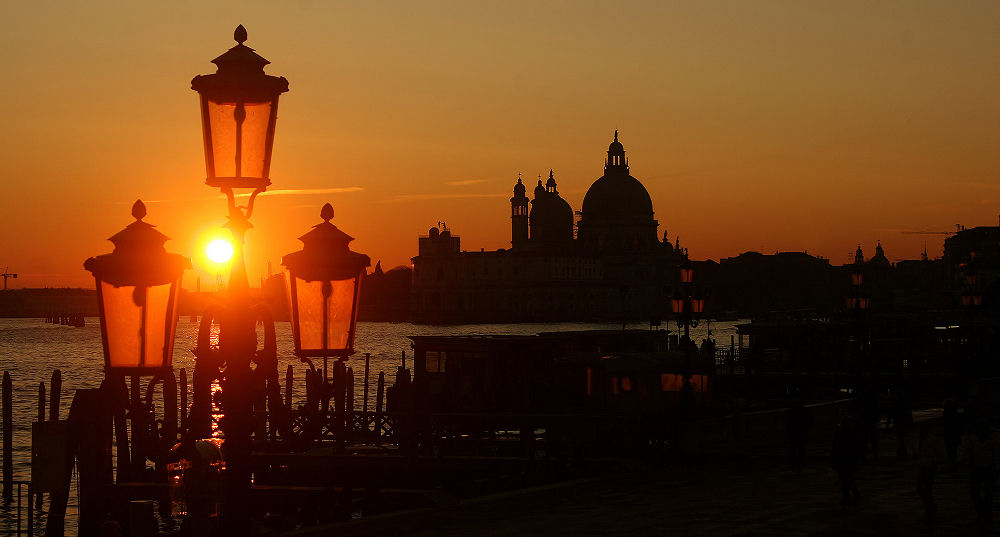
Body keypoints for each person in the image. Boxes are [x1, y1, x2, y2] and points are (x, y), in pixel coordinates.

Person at [968, 418, 999, 526]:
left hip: (989, 468)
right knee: (974, 491)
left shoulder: (993, 438)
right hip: (978, 467)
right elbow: (970, 452)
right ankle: (982, 511)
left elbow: (997, 454)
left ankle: (986, 515)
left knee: (988, 494)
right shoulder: (973, 438)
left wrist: (997, 469)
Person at [831, 415, 860, 506]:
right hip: (848, 460)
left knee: (844, 478)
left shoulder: (839, 433)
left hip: (842, 460)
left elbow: (834, 448)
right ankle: (853, 493)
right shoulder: (852, 434)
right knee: (848, 477)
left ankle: (848, 496)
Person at [786, 400, 812, 470]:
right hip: (801, 432)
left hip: (793, 432)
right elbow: (809, 421)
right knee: (801, 448)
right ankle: (800, 463)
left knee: (793, 449)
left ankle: (793, 463)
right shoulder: (805, 411)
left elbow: (787, 422)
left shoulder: (791, 411)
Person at [942, 398, 962, 465]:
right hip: (954, 434)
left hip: (948, 434)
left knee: (949, 449)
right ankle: (953, 462)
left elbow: (944, 424)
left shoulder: (945, 414)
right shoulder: (955, 413)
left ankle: (952, 462)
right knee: (953, 450)